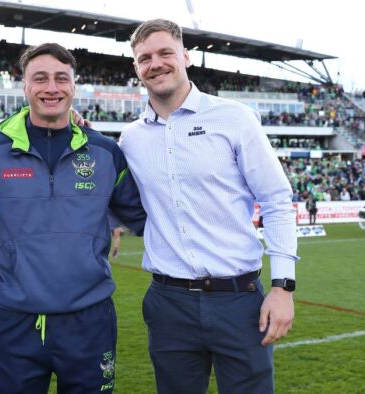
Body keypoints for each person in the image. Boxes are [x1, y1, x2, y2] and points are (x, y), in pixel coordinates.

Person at [119, 19, 298, 394]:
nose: (156, 64)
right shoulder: (130, 139)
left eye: (166, 53)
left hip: (238, 300)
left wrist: (282, 287)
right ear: (136, 68)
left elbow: (277, 200)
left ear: (185, 56)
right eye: (144, 58)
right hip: (168, 303)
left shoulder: (233, 118)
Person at [0, 43, 146, 394]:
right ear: (25, 86)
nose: (52, 87)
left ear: (74, 86)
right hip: (14, 323)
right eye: (41, 78)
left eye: (62, 78)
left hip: (89, 322)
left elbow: (145, 219)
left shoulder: (106, 154)